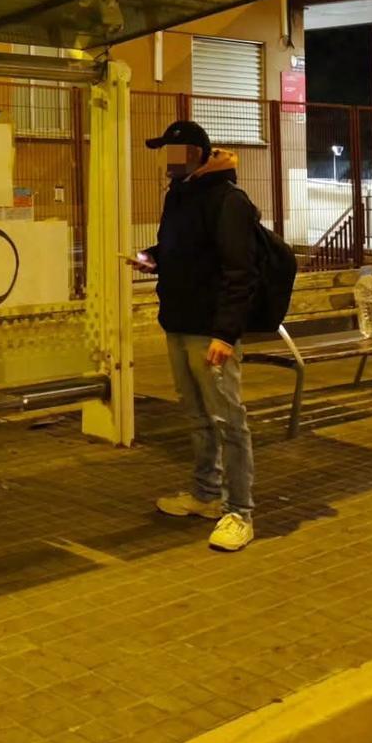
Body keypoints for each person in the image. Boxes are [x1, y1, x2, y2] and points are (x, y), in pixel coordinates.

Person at [130, 120, 259, 552]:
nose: (169, 163)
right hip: (179, 323)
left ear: (199, 155)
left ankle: (239, 511)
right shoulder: (180, 196)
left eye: (178, 153)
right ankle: (206, 494)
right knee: (197, 415)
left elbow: (239, 271)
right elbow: (182, 249)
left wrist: (225, 333)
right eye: (166, 153)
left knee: (228, 420)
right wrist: (152, 257)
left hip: (210, 331)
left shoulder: (228, 200)